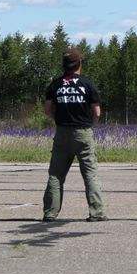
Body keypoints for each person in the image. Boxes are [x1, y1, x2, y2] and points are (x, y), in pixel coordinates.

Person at [41, 48, 107, 222]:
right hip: (83, 132)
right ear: (80, 64)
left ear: (64, 65)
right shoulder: (87, 84)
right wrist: (90, 125)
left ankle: (50, 213)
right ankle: (96, 212)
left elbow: (47, 109)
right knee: (90, 174)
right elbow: (97, 112)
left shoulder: (55, 85)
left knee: (56, 175)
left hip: (62, 132)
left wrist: (59, 120)